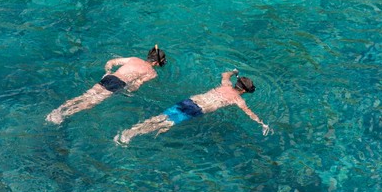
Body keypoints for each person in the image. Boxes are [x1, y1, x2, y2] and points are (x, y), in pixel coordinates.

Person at [114, 69, 270, 145]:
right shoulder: (238, 99)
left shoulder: (226, 84)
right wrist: (262, 123)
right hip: (198, 110)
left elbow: (224, 74)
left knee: (160, 117)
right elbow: (249, 113)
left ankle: (130, 131)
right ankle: (132, 136)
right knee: (166, 124)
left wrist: (234, 71)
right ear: (243, 91)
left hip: (190, 101)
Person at [45, 45, 166, 124]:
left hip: (110, 77)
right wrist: (128, 92)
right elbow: (135, 86)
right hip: (119, 84)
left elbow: (111, 62)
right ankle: (65, 115)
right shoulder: (151, 73)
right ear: (156, 62)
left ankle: (58, 110)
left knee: (85, 95)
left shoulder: (134, 59)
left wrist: (107, 72)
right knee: (91, 103)